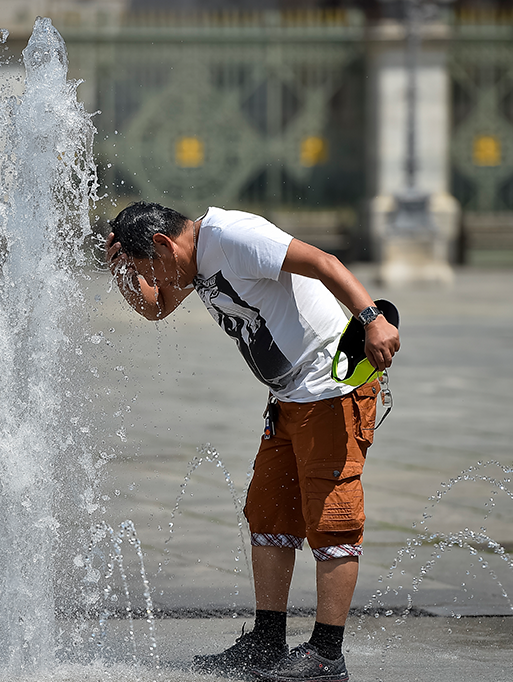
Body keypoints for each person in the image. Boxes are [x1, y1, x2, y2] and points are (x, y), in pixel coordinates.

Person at [105, 202, 400, 682]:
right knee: (268, 512)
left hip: (331, 387)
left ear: (163, 244)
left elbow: (323, 263)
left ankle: (327, 653)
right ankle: (267, 642)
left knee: (334, 520)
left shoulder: (233, 236)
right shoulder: (193, 262)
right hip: (287, 399)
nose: (152, 279)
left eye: (148, 268)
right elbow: (155, 308)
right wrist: (121, 272)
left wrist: (372, 319)